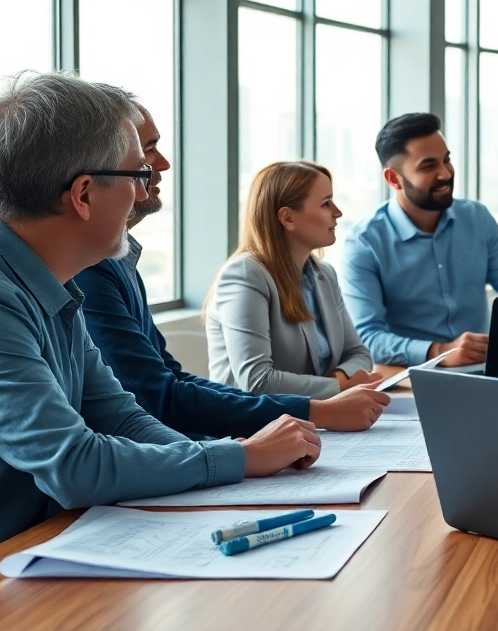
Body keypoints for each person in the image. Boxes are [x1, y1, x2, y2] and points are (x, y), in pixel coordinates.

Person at [0, 72, 320, 590]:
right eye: (137, 174)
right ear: (83, 194)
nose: (144, 191)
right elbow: (75, 464)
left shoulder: (48, 282)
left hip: (33, 556)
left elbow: (121, 418)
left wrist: (226, 482)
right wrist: (238, 456)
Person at [75, 103, 389, 437]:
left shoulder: (122, 263)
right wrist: (327, 401)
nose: (164, 163)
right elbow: (168, 397)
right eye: (148, 150)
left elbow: (171, 379)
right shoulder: (243, 275)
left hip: (248, 432)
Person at [342, 112, 498, 367]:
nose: (445, 173)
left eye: (446, 160)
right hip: (412, 379)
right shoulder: (364, 243)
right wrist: (441, 352)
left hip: (485, 368)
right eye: (428, 166)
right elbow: (367, 338)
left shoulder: (477, 218)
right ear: (394, 179)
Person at [207, 162, 377, 398]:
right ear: (287, 217)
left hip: (314, 419)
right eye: (326, 203)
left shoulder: (324, 274)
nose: (337, 212)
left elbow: (359, 354)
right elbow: (256, 382)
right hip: (251, 430)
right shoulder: (245, 275)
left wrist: (338, 380)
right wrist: (340, 387)